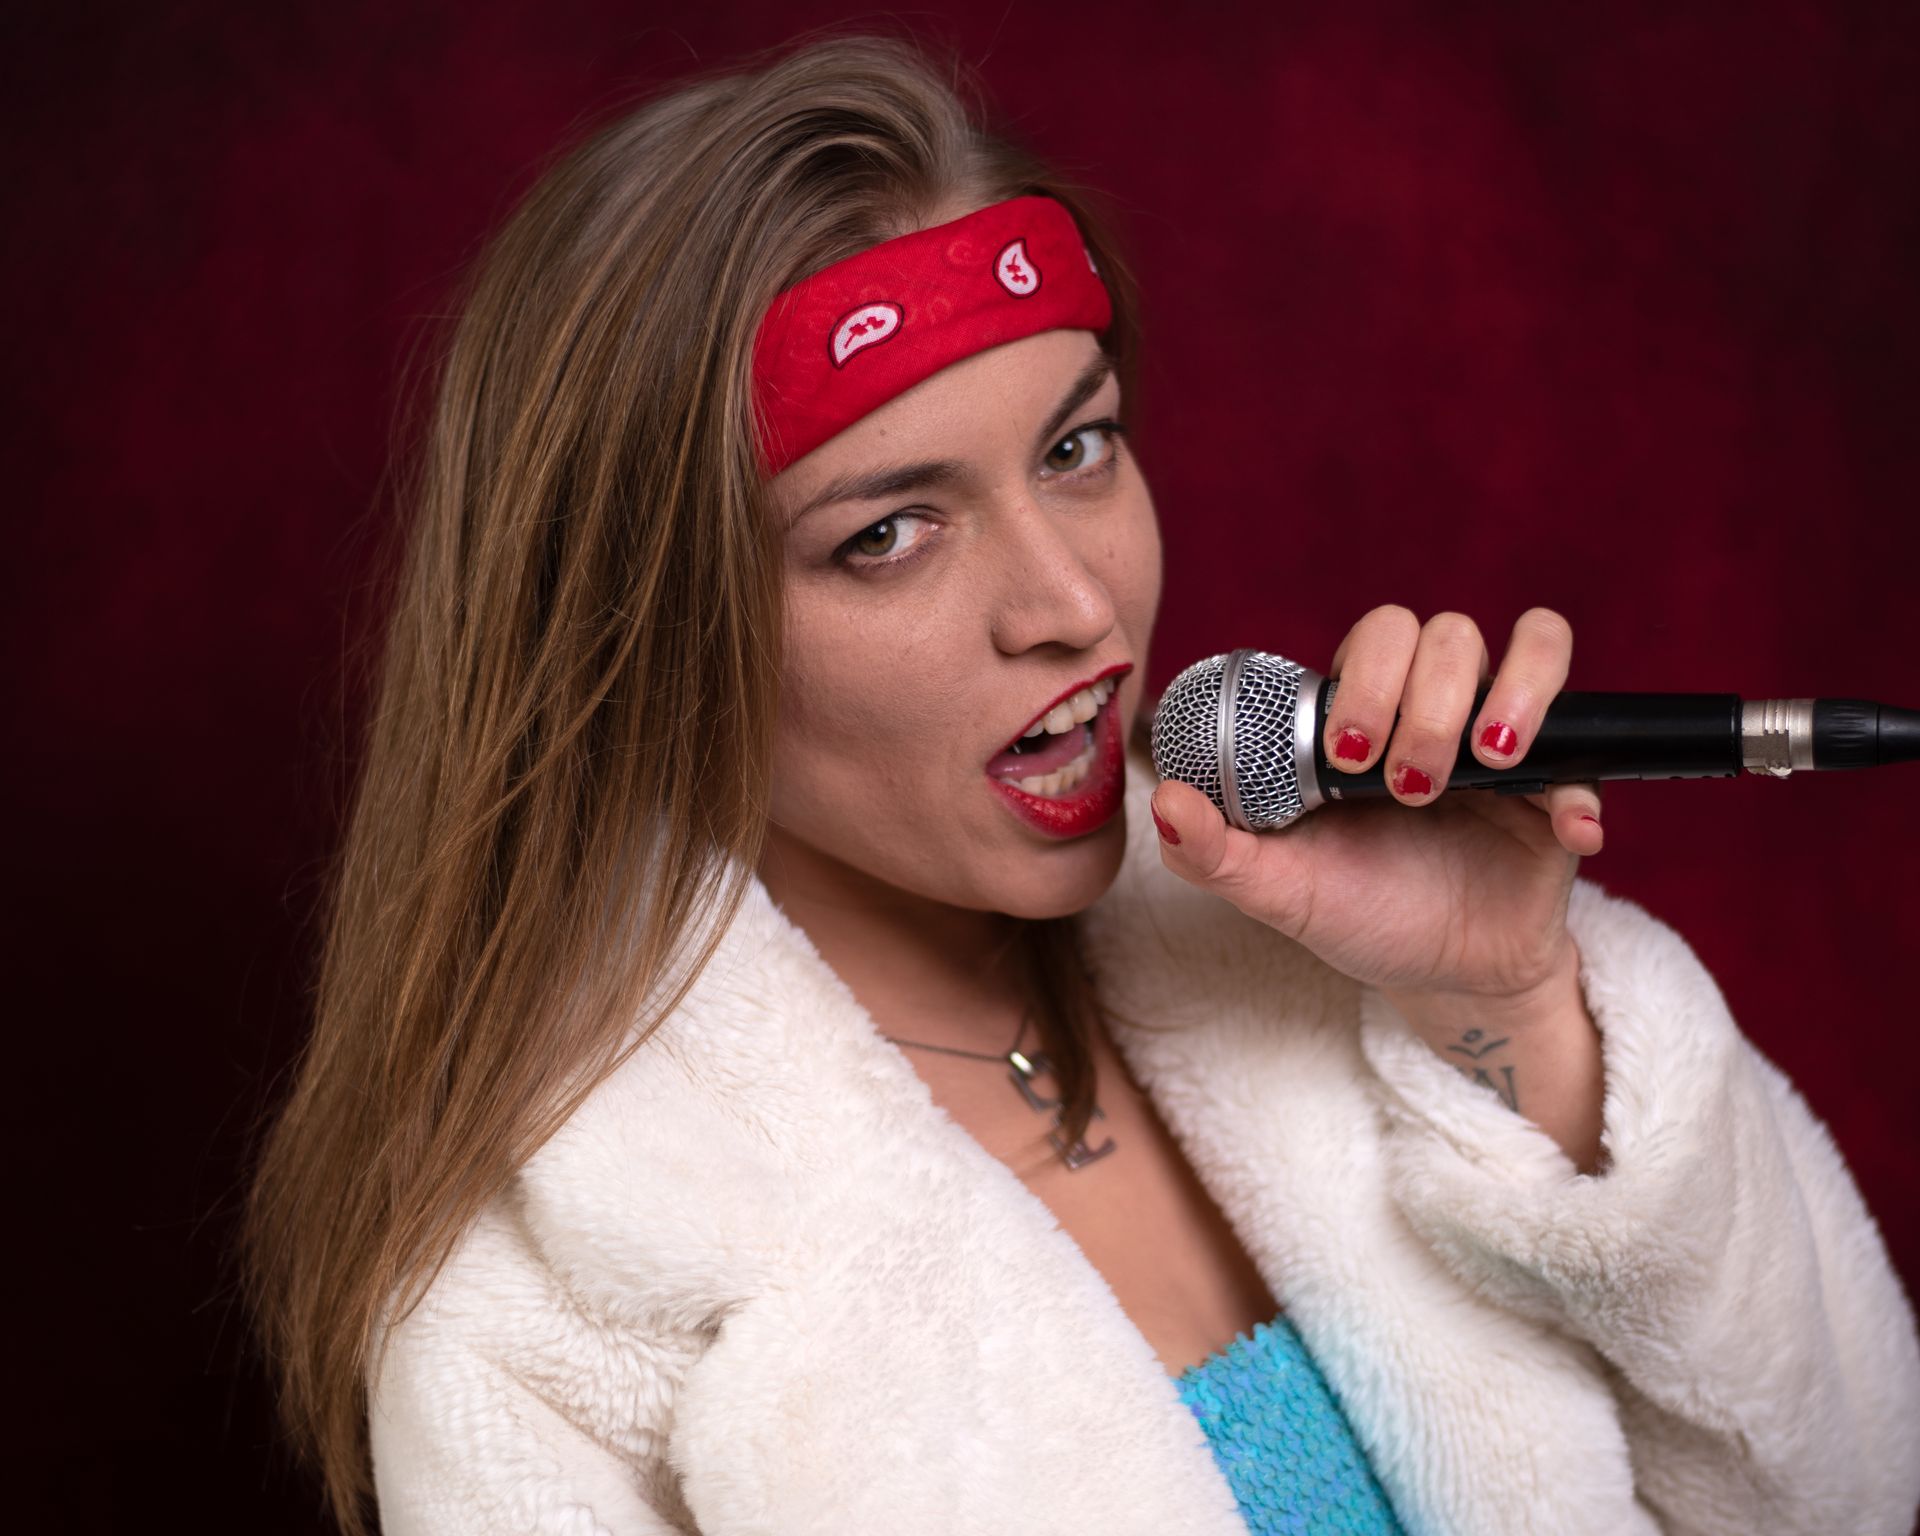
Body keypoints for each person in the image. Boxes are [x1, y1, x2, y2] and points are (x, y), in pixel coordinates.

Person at [244, 30, 1920, 1536]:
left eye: (1076, 448)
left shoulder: (1333, 949)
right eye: (887, 533)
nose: (1070, 602)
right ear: (635, 639)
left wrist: (1515, 1012)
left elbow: (1846, 1492)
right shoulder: (533, 1325)